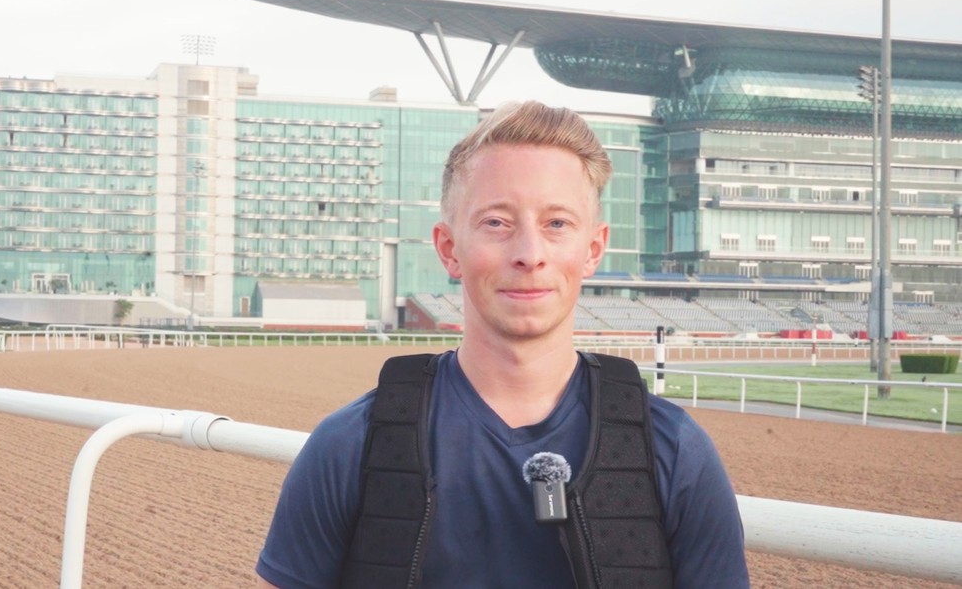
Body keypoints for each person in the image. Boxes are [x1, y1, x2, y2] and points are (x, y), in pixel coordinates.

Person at [255, 101, 749, 588]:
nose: (529, 254)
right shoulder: (349, 444)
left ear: (593, 249)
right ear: (449, 248)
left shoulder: (675, 449)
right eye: (496, 222)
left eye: (556, 223)